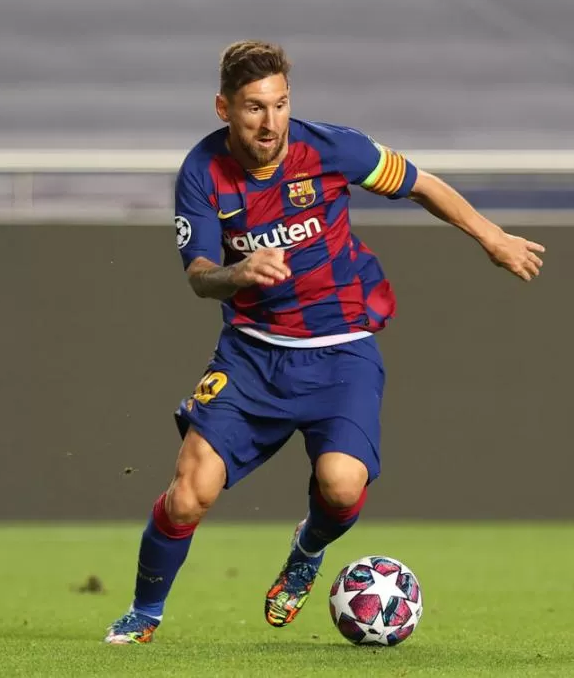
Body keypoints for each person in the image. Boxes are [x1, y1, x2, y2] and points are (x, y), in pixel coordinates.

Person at [104, 40, 545, 645]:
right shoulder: (202, 174)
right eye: (254, 108)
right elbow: (199, 275)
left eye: (281, 104)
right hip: (252, 353)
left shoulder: (332, 147)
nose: (271, 122)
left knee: (341, 485)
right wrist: (241, 272)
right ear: (223, 108)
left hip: (341, 349)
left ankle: (307, 548)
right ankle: (143, 614)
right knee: (188, 495)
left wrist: (491, 237)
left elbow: (421, 183)